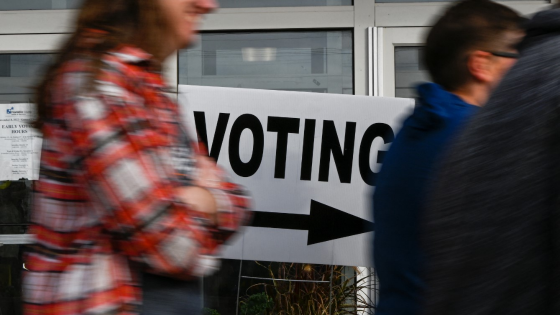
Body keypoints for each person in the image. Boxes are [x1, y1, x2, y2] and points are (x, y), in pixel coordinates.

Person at [23, 1, 251, 315]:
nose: (208, 4)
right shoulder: (97, 86)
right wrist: (205, 202)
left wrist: (197, 202)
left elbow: (238, 203)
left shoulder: (148, 90)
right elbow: (172, 247)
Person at [371, 1, 524, 315]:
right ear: (481, 64)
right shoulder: (478, 139)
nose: (529, 68)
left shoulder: (418, 128)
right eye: (520, 57)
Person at [422, 7, 560, 315]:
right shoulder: (453, 132)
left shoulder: (436, 132)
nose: (519, 61)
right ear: (480, 64)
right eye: (511, 52)